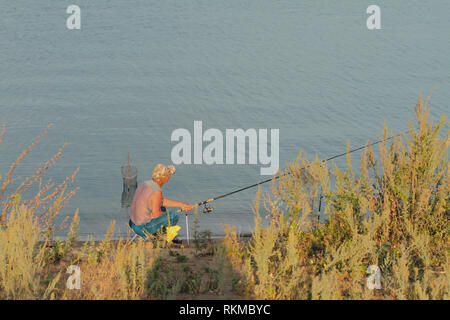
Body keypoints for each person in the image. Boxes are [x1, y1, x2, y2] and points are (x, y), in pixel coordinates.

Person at [129, 164, 194, 238]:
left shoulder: (146, 184)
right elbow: (156, 215)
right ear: (165, 177)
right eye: (169, 175)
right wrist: (167, 215)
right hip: (142, 228)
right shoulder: (157, 191)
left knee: (162, 208)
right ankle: (166, 239)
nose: (169, 177)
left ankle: (163, 234)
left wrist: (182, 205)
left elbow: (160, 201)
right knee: (174, 215)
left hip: (132, 223)